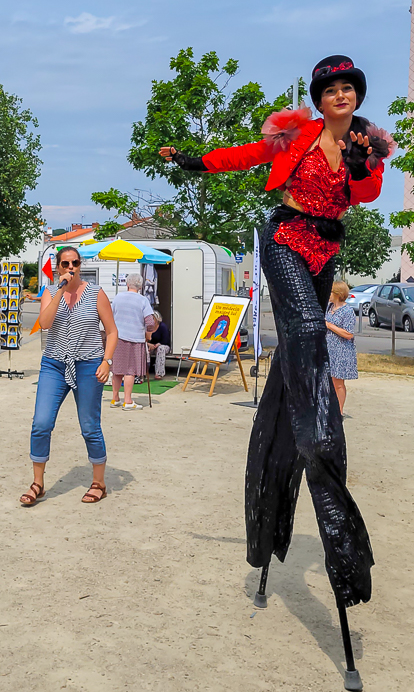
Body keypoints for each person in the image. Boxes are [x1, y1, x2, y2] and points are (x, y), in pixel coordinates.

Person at [159, 55, 395, 616]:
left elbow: (366, 196)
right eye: (331, 89)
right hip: (286, 236)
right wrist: (195, 161)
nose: (340, 95)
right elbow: (246, 155)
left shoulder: (367, 145)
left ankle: (280, 471)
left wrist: (362, 164)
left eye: (348, 88)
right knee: (310, 332)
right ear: (319, 98)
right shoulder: (300, 133)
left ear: (357, 97)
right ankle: (321, 446)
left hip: (325, 250)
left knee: (297, 362)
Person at [20, 246, 118, 506]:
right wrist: (60, 289)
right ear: (58, 267)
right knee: (41, 423)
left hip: (88, 365)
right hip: (54, 365)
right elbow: (46, 323)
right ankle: (37, 484)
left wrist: (107, 361)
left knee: (89, 427)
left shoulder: (96, 293)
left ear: (80, 265)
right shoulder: (51, 292)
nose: (71, 268)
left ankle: (99, 483)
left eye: (75, 263)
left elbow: (111, 332)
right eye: (65, 264)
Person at [110, 273, 156, 410]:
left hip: (117, 338)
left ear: (127, 284)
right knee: (130, 370)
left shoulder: (117, 298)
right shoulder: (143, 300)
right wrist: (148, 332)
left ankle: (115, 398)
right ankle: (128, 401)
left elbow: (111, 316)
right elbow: (150, 322)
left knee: (117, 369)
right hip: (134, 339)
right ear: (140, 286)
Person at [326, 280, 357, 415]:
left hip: (341, 351)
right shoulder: (329, 307)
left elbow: (348, 334)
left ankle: (339, 411)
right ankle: (329, 408)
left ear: (338, 293)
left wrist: (329, 325)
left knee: (338, 382)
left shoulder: (347, 311)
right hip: (328, 349)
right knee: (328, 381)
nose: (329, 294)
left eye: (331, 292)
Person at [147, 310, 171, 379]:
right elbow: (143, 339)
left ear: (157, 319)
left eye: (152, 318)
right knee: (143, 348)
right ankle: (142, 373)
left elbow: (166, 340)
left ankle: (159, 373)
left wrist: (158, 344)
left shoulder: (162, 327)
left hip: (162, 345)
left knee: (161, 349)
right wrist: (148, 344)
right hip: (151, 346)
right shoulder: (147, 328)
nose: (151, 320)